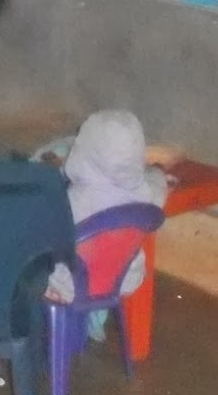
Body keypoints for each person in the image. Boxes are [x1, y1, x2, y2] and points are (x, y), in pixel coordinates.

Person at [41, 109, 170, 321]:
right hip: (121, 281)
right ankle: (95, 321)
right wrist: (157, 171)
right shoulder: (145, 194)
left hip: (65, 287)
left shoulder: (71, 200)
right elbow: (158, 183)